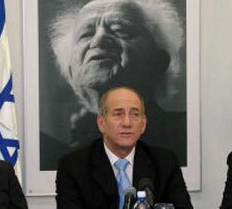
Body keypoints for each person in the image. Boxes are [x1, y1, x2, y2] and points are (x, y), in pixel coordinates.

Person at [41, 0, 187, 170]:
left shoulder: (187, 136)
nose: (99, 39)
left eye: (120, 30)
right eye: (86, 34)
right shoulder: (56, 158)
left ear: (158, 61)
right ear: (71, 71)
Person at [56, 86, 192, 209]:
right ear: (101, 123)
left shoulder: (165, 162)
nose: (127, 123)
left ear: (143, 124)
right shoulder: (73, 167)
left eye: (134, 114)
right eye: (118, 114)